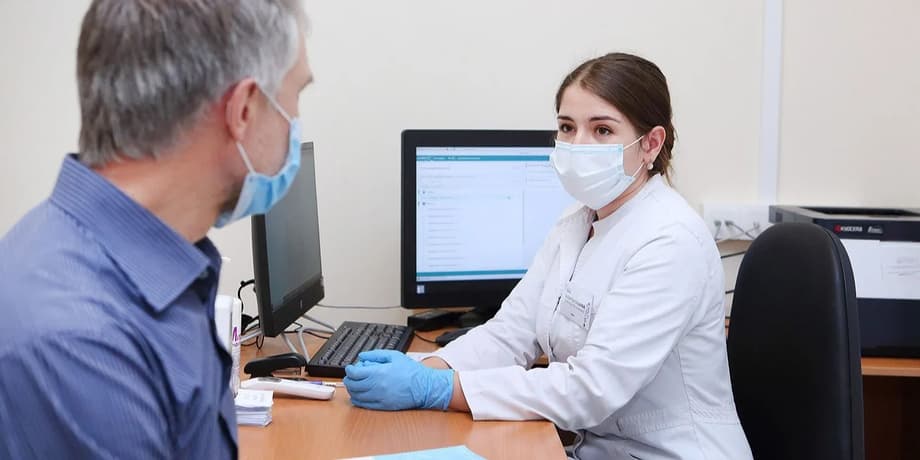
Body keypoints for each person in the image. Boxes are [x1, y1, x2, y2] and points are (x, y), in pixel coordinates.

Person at [344, 53, 753, 459]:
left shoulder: (671, 240)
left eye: (602, 130)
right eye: (566, 127)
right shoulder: (576, 222)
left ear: (650, 143)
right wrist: (429, 368)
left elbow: (589, 389)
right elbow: (510, 333)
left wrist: (435, 391)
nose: (578, 145)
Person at [0, 1, 312, 458]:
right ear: (243, 110)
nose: (296, 123)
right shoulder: (81, 344)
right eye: (295, 96)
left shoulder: (145, 270)